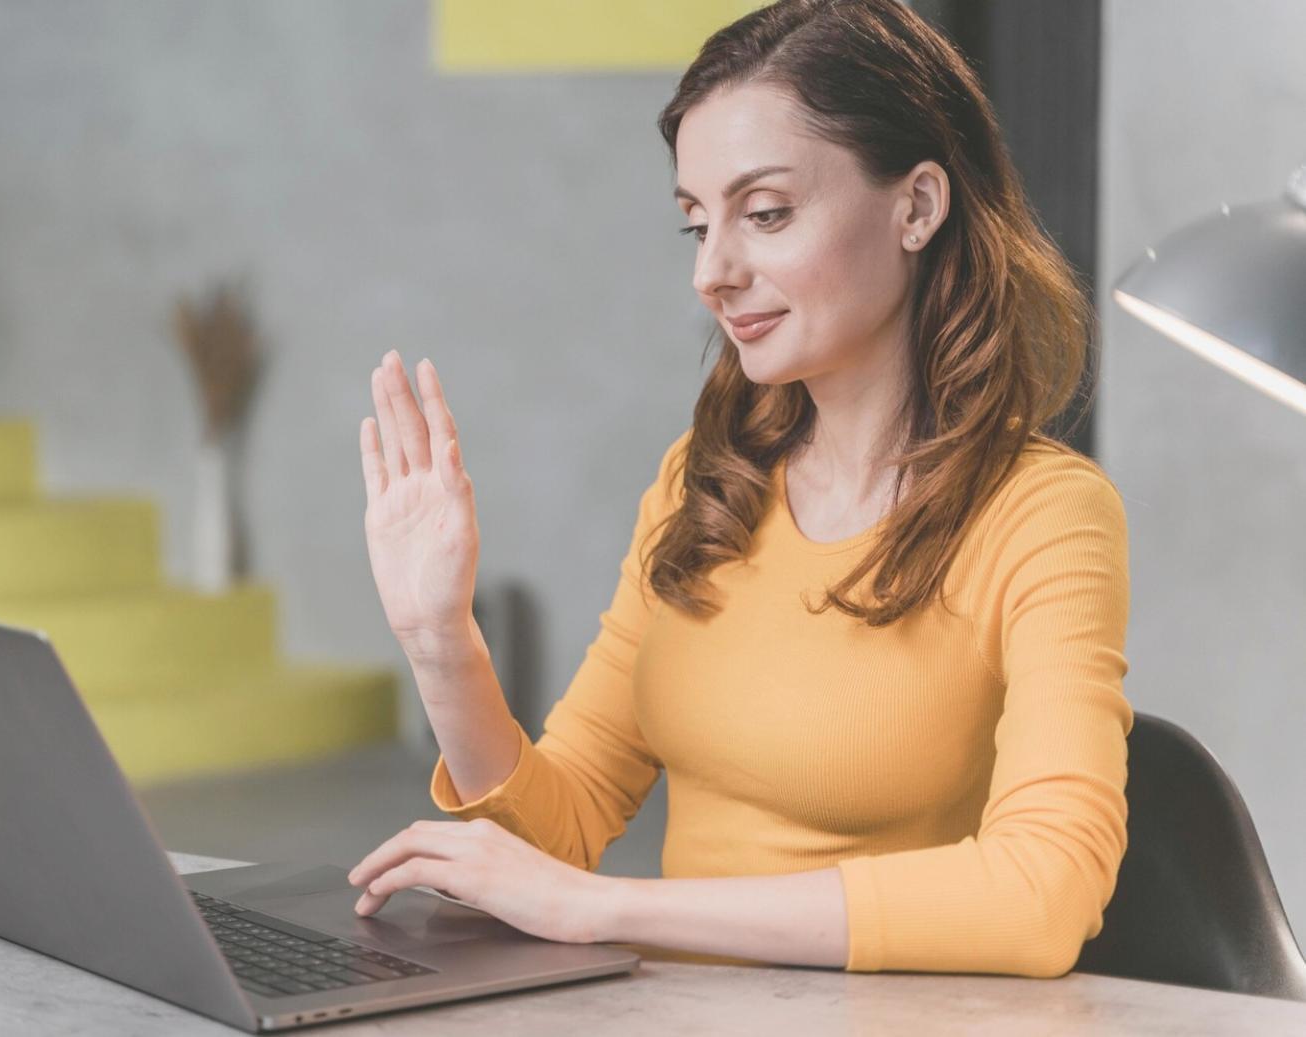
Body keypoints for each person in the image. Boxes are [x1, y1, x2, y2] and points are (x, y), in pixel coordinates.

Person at [347, 0, 1130, 980]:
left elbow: (1040, 896)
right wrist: (440, 640)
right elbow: (558, 838)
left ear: (917, 207)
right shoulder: (701, 483)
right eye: (695, 222)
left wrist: (608, 907)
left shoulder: (1042, 515)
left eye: (764, 213)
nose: (712, 273)